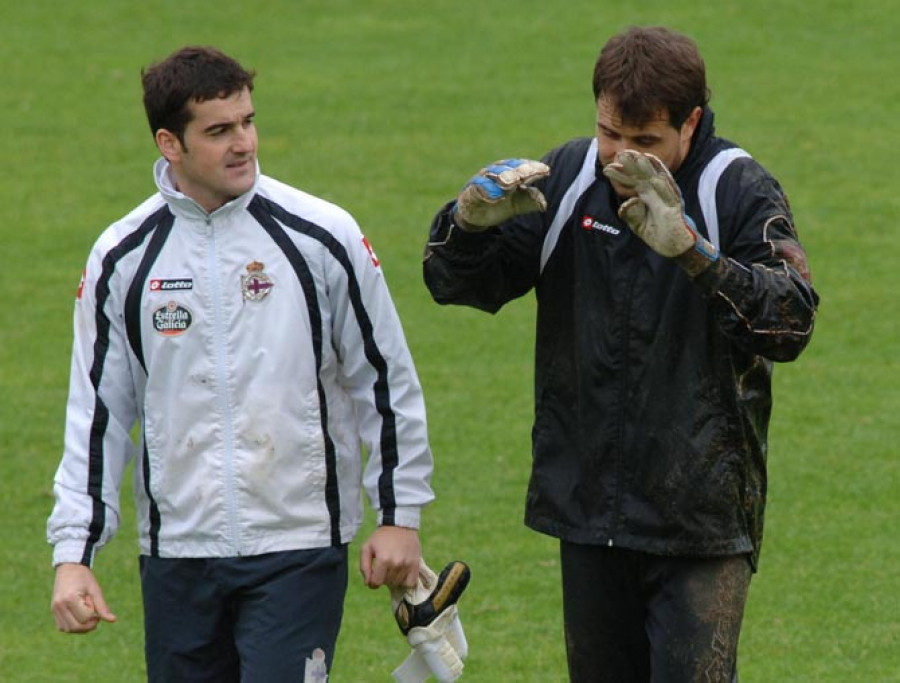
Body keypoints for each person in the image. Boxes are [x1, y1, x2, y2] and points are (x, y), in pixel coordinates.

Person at [423, 26, 819, 682]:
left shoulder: (735, 188)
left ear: (690, 124)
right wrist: (463, 226)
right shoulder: (571, 177)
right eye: (611, 133)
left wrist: (694, 252)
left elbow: (792, 322)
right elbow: (453, 283)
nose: (622, 157)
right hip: (589, 513)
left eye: (646, 143)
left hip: (700, 525)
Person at [47, 45, 435, 681]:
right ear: (170, 144)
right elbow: (96, 414)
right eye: (219, 130)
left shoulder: (322, 236)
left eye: (248, 122)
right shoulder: (122, 258)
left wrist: (399, 515)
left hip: (297, 545)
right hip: (177, 554)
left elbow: (385, 379)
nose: (244, 144)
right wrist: (74, 553)